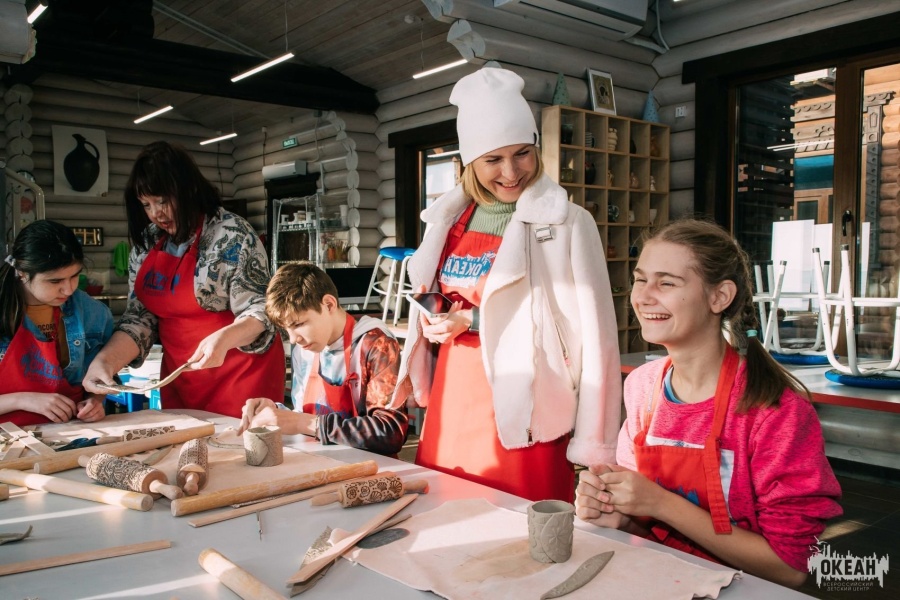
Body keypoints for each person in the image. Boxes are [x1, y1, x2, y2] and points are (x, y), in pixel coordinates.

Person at [391, 67, 622, 502]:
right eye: (493, 160)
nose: (511, 172)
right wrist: (435, 318)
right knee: (449, 512)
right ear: (469, 163)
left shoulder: (569, 223)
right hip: (454, 394)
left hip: (530, 401)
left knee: (523, 523)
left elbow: (598, 335)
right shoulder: (448, 222)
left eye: (522, 153)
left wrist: (597, 439)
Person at [575, 219, 842, 588]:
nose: (643, 297)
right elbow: (643, 521)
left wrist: (660, 503)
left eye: (666, 283)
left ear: (719, 297)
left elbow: (792, 566)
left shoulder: (773, 410)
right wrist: (617, 514)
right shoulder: (642, 387)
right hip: (657, 582)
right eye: (640, 279)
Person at [83, 141, 284, 418]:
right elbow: (139, 319)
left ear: (188, 190)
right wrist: (106, 362)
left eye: (163, 201)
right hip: (181, 377)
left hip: (242, 376)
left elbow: (262, 310)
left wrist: (224, 338)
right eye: (146, 204)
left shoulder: (231, 235)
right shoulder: (147, 242)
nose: (156, 213)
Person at [238, 262, 408, 456]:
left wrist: (304, 423)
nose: (293, 339)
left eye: (299, 324)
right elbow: (303, 415)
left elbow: (390, 433)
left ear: (329, 305)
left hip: (371, 467)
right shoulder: (304, 349)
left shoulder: (376, 345)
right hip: (318, 461)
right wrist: (275, 412)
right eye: (287, 329)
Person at [1, 220, 113, 425]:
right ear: (22, 272)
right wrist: (22, 400)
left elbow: (98, 377)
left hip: (70, 433)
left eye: (74, 276)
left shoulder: (92, 312)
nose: (68, 289)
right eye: (55, 281)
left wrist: (94, 401)